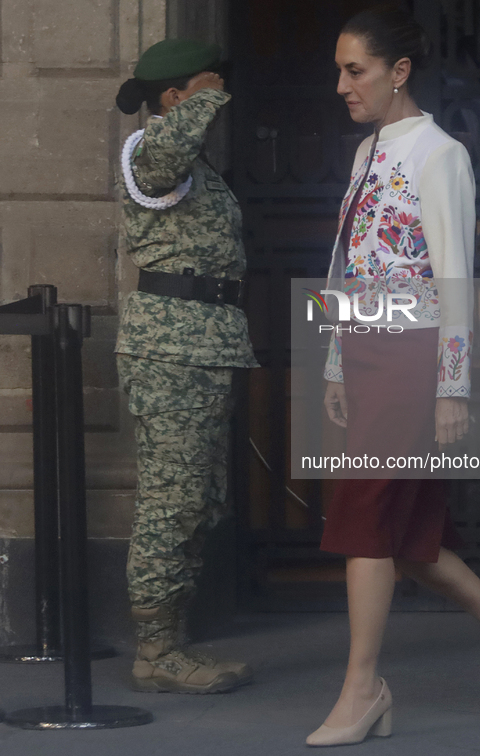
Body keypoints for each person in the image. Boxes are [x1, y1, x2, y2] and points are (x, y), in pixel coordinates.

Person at [306, 6, 480, 747]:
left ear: (398, 71)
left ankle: (362, 689)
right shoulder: (366, 154)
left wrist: (451, 384)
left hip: (413, 356)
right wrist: (333, 357)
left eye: (354, 70)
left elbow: (455, 277)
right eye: (338, 69)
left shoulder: (438, 153)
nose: (340, 84)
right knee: (408, 540)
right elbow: (346, 264)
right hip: (363, 351)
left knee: (362, 517)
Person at [114, 38, 258, 694]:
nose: (219, 101)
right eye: (207, 90)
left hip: (204, 351)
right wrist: (202, 96)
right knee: (170, 501)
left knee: (197, 500)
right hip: (171, 355)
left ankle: (171, 640)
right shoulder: (151, 153)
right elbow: (164, 156)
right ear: (178, 98)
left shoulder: (197, 165)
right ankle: (155, 651)